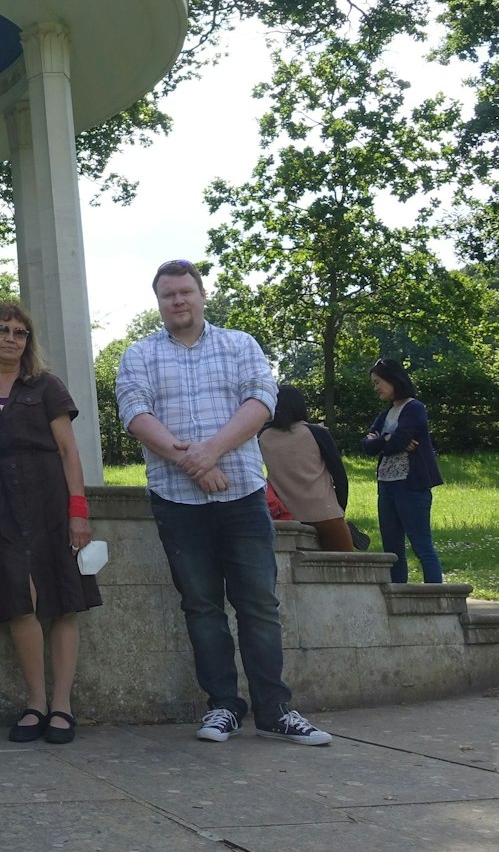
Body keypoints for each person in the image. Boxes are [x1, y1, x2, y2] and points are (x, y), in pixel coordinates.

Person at [115, 260, 332, 746]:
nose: (178, 301)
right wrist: (194, 462)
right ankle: (223, 707)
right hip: (177, 502)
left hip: (242, 496)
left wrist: (210, 452)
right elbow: (135, 413)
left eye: (185, 291)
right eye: (168, 294)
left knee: (259, 603)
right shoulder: (139, 355)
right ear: (158, 302)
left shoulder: (240, 345)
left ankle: (276, 710)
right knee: (201, 605)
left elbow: (261, 402)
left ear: (202, 294)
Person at [0, 301, 98, 745]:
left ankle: (62, 706)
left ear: (26, 342)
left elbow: (70, 452)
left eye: (19, 332)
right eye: (2, 330)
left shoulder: (46, 386)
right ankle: (35, 703)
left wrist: (78, 512)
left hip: (50, 500)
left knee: (63, 598)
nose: (11, 339)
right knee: (21, 600)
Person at [364, 358, 444, 584]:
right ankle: (397, 596)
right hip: (386, 486)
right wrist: (388, 439)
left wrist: (385, 440)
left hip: (411, 486)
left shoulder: (415, 408)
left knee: (421, 545)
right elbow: (368, 446)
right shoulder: (386, 414)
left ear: (393, 380)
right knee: (393, 549)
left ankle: (436, 597)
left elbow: (394, 444)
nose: (376, 388)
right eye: (374, 384)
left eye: (379, 382)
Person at [257, 385, 355, 554]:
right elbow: (339, 475)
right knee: (345, 566)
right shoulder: (316, 433)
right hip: (326, 513)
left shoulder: (263, 438)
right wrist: (340, 508)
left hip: (289, 517)